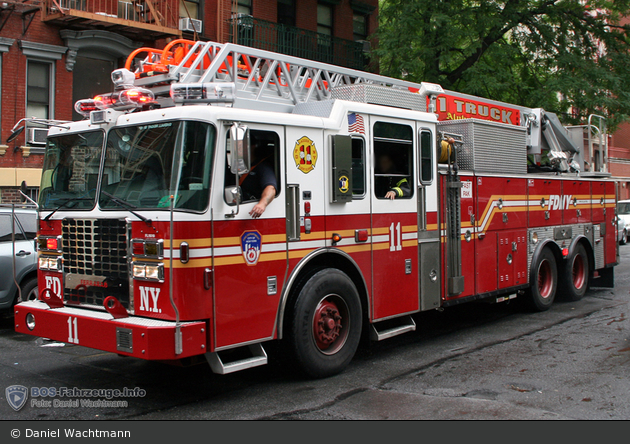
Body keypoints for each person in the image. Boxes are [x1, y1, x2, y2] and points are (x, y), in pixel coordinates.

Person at [239, 138, 278, 218]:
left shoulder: (263, 167)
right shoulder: (241, 167)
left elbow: (271, 188)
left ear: (251, 147)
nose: (237, 149)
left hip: (250, 211)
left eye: (239, 146)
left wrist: (262, 204)